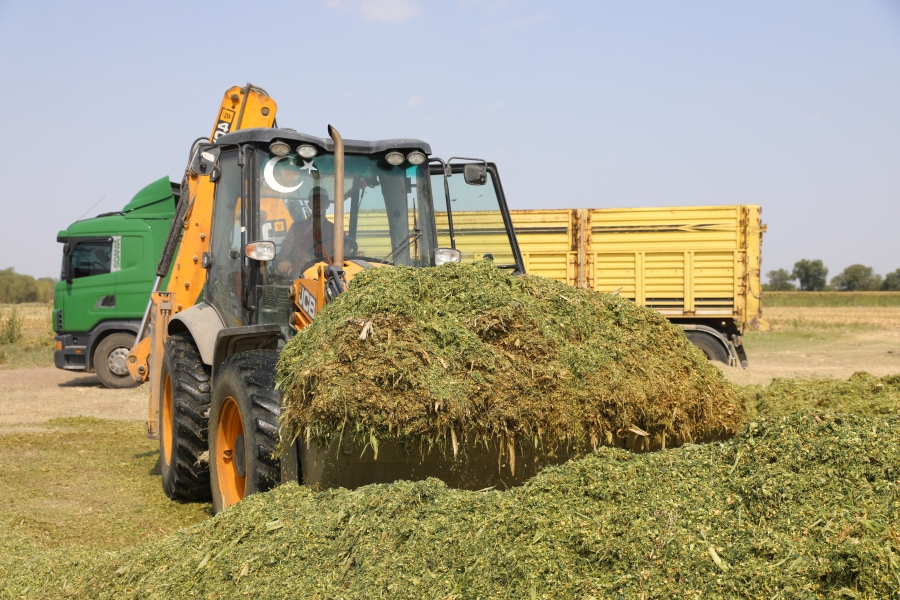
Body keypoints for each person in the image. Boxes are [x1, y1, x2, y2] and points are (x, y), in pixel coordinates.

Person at [276, 186, 335, 276]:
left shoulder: (336, 230)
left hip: (329, 277)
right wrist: (285, 261)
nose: (318, 204)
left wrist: (356, 255)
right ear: (309, 204)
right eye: (315, 200)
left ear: (328, 204)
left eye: (322, 200)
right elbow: (283, 253)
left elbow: (346, 255)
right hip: (300, 276)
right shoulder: (296, 228)